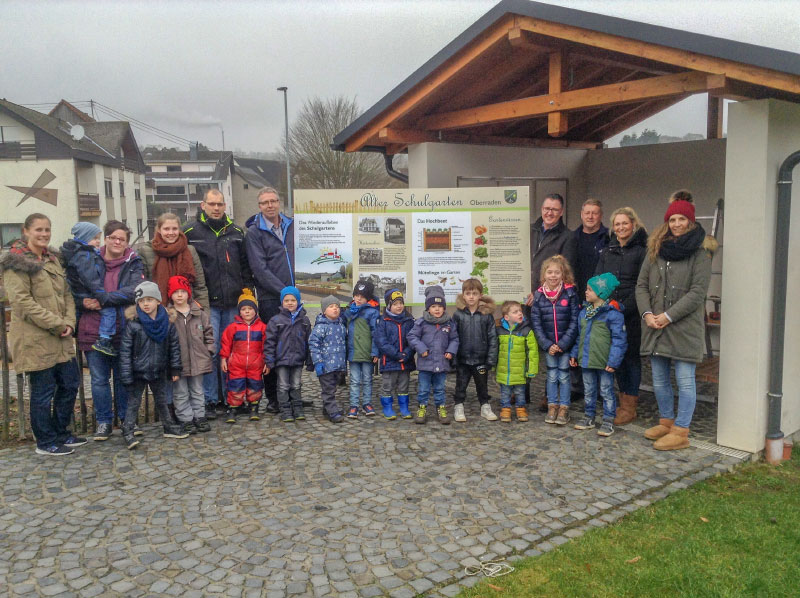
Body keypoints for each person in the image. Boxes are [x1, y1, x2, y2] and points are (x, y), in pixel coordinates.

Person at [636, 195, 716, 451]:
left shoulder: (701, 252)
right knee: (659, 378)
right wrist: (647, 314)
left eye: (682, 219)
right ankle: (666, 421)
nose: (677, 223)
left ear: (691, 222)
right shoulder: (656, 249)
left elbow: (697, 292)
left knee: (684, 379)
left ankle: (681, 430)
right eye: (673, 219)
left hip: (682, 327)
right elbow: (641, 286)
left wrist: (668, 316)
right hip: (654, 325)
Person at [1, 214, 83, 456]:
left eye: (47, 229)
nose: (44, 234)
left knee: (69, 384)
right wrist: (57, 324)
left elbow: (66, 294)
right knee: (43, 391)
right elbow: (22, 303)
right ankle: (45, 442)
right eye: (38, 230)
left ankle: (61, 432)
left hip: (61, 336)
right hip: (34, 338)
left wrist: (68, 322)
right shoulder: (16, 263)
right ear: (26, 231)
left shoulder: (52, 259)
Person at [183, 189, 252, 415]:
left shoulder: (236, 232)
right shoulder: (190, 232)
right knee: (210, 352)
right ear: (203, 205)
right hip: (206, 304)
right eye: (212, 204)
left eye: (220, 204)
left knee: (232, 351)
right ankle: (211, 400)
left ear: (225, 206)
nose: (216, 208)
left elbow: (245, 266)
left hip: (233, 303)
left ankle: (233, 398)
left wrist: (247, 295)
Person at [75, 220, 145, 441]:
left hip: (123, 329)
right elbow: (76, 288)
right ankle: (104, 422)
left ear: (126, 242)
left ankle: (126, 420)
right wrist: (84, 302)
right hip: (93, 329)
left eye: (122, 239)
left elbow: (134, 291)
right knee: (99, 380)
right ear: (105, 239)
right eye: (113, 237)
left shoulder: (133, 261)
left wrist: (103, 299)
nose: (117, 242)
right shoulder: (90, 259)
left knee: (124, 378)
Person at [594, 207, 648, 424]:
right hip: (610, 313)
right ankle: (621, 398)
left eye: (624, 223)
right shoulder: (608, 251)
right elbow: (598, 279)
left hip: (630, 314)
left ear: (633, 224)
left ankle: (629, 406)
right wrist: (603, 304)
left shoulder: (642, 251)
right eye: (617, 224)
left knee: (631, 359)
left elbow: (641, 285)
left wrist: (624, 307)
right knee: (616, 358)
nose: (621, 228)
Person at [119, 281, 187, 449]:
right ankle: (128, 430)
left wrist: (175, 368)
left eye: (149, 300)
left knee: (162, 400)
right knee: (134, 402)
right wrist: (126, 374)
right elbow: (125, 351)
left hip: (159, 368)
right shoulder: (133, 324)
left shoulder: (167, 323)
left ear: (158, 301)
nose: (146, 304)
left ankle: (168, 426)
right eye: (142, 301)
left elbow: (174, 347)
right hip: (138, 371)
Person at [525, 192, 578, 411]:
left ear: (561, 212)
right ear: (541, 209)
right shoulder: (530, 230)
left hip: (549, 301)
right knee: (524, 346)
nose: (549, 213)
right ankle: (521, 391)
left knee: (552, 347)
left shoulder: (567, 237)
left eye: (554, 209)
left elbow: (564, 271)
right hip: (524, 299)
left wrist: (538, 292)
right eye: (547, 208)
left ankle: (551, 396)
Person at [245, 187, 295, 415]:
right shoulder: (254, 233)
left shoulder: (291, 225)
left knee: (294, 345)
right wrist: (285, 292)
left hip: (294, 297)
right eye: (265, 202)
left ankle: (292, 394)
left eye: (274, 201)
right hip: (270, 297)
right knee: (272, 347)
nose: (270, 205)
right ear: (259, 206)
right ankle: (273, 398)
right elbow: (259, 269)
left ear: (279, 202)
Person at [571, 273, 627, 437]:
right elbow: (579, 337)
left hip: (604, 362)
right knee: (588, 390)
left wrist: (614, 361)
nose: (586, 292)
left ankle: (608, 420)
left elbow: (619, 340)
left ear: (601, 293)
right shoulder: (584, 313)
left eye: (590, 290)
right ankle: (589, 416)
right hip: (587, 359)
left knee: (606, 390)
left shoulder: (613, 315)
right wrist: (575, 354)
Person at [530, 255, 580, 426]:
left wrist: (563, 343)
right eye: (549, 272)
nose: (553, 276)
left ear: (563, 274)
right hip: (549, 345)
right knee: (551, 376)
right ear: (544, 275)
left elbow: (575, 321)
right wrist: (547, 344)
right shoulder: (539, 296)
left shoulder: (570, 293)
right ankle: (552, 405)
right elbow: (536, 323)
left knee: (565, 377)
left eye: (556, 272)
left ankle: (564, 407)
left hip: (565, 345)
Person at [60, 221, 118, 356]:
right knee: (109, 311)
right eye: (95, 238)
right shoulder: (84, 255)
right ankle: (104, 339)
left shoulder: (81, 253)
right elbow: (90, 278)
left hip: (81, 292)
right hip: (85, 292)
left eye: (98, 238)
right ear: (84, 238)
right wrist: (102, 295)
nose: (98, 242)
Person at [167, 275, 214, 435]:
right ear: (170, 294)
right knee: (180, 392)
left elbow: (208, 332)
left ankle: (199, 416)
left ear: (188, 293)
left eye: (183, 291)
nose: (179, 295)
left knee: (197, 390)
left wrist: (209, 350)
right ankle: (185, 419)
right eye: (176, 292)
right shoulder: (168, 315)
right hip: (178, 361)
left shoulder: (199, 313)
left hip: (198, 359)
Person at [407, 285, 459, 425]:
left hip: (441, 364)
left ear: (444, 308)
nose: (437, 309)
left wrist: (450, 351)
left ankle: (440, 408)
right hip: (425, 363)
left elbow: (454, 339)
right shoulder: (421, 322)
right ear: (428, 308)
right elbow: (412, 337)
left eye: (440, 306)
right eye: (433, 306)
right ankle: (422, 408)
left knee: (440, 388)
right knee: (423, 389)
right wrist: (421, 348)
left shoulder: (449, 323)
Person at [138, 212, 209, 309]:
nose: (171, 233)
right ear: (159, 230)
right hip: (158, 311)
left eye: (174, 229)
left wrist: (203, 312)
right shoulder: (146, 251)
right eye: (166, 229)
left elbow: (200, 286)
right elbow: (143, 286)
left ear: (179, 230)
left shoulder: (189, 250)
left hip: (186, 311)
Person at [451, 278, 498, 422]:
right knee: (461, 384)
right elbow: (453, 336)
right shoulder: (458, 315)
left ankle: (485, 406)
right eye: (468, 293)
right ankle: (459, 406)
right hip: (463, 358)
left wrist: (491, 358)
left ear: (480, 295)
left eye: (475, 293)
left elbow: (492, 338)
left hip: (480, 358)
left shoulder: (486, 315)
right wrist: (454, 357)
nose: (471, 296)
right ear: (463, 295)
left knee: (482, 385)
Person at [263, 286, 312, 423]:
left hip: (297, 359)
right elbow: (269, 342)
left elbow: (308, 341)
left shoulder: (304, 320)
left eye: (293, 300)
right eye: (286, 300)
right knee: (283, 385)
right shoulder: (275, 321)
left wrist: (309, 360)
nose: (290, 303)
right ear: (282, 302)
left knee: (296, 384)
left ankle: (297, 407)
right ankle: (285, 409)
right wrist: (269, 360)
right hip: (281, 360)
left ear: (298, 301)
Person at [219, 290, 267, 423]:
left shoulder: (262, 327)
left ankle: (254, 408)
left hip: (255, 363)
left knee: (255, 385)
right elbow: (226, 344)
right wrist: (224, 358)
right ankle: (233, 408)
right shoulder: (232, 328)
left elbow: (266, 346)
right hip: (236, 363)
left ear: (255, 311)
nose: (247, 311)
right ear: (239, 311)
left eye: (250, 309)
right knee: (235, 385)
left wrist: (267, 362)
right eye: (244, 309)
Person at [374, 288, 416, 420]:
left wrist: (407, 354)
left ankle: (404, 407)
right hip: (390, 361)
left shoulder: (409, 321)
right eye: (396, 304)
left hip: (406, 361)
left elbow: (413, 339)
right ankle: (388, 407)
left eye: (401, 303)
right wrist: (396, 354)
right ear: (389, 305)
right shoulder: (383, 322)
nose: (399, 306)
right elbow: (382, 342)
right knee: (388, 386)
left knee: (404, 385)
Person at [495, 300, 539, 423]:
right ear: (506, 317)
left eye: (520, 311)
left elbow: (533, 352)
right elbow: (495, 349)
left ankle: (520, 408)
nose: (520, 314)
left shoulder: (526, 331)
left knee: (520, 391)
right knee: (505, 392)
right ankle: (505, 408)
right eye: (515, 312)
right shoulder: (499, 331)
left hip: (520, 370)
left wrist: (532, 369)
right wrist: (493, 365)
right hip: (505, 370)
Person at [344, 279, 380, 419]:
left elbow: (376, 334)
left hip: (367, 353)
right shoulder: (348, 312)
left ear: (368, 298)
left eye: (362, 296)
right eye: (357, 295)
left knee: (367, 379)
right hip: (353, 353)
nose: (359, 299)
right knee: (354, 380)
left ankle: (367, 403)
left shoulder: (372, 313)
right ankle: (354, 405)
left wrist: (375, 351)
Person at [309, 295, 348, 423]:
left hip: (338, 365)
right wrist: (318, 362)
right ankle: (332, 411)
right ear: (324, 310)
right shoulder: (321, 327)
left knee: (333, 387)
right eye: (331, 307)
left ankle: (327, 409)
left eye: (337, 307)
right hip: (325, 366)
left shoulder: (341, 326)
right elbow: (314, 344)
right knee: (328, 390)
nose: (335, 309)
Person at [573, 199, 610, 299]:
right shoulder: (572, 238)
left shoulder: (610, 238)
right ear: (581, 214)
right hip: (577, 295)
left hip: (602, 294)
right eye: (587, 213)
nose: (590, 217)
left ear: (601, 215)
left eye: (594, 213)